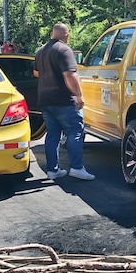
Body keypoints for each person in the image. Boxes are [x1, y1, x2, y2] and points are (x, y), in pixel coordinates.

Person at [34, 23, 95, 181]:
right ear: (66, 36)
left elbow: (36, 73)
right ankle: (76, 167)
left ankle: (52, 170)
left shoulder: (40, 51)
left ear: (51, 34)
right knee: (75, 132)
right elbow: (70, 75)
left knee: (52, 135)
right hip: (63, 100)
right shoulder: (64, 50)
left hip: (45, 100)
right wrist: (79, 95)